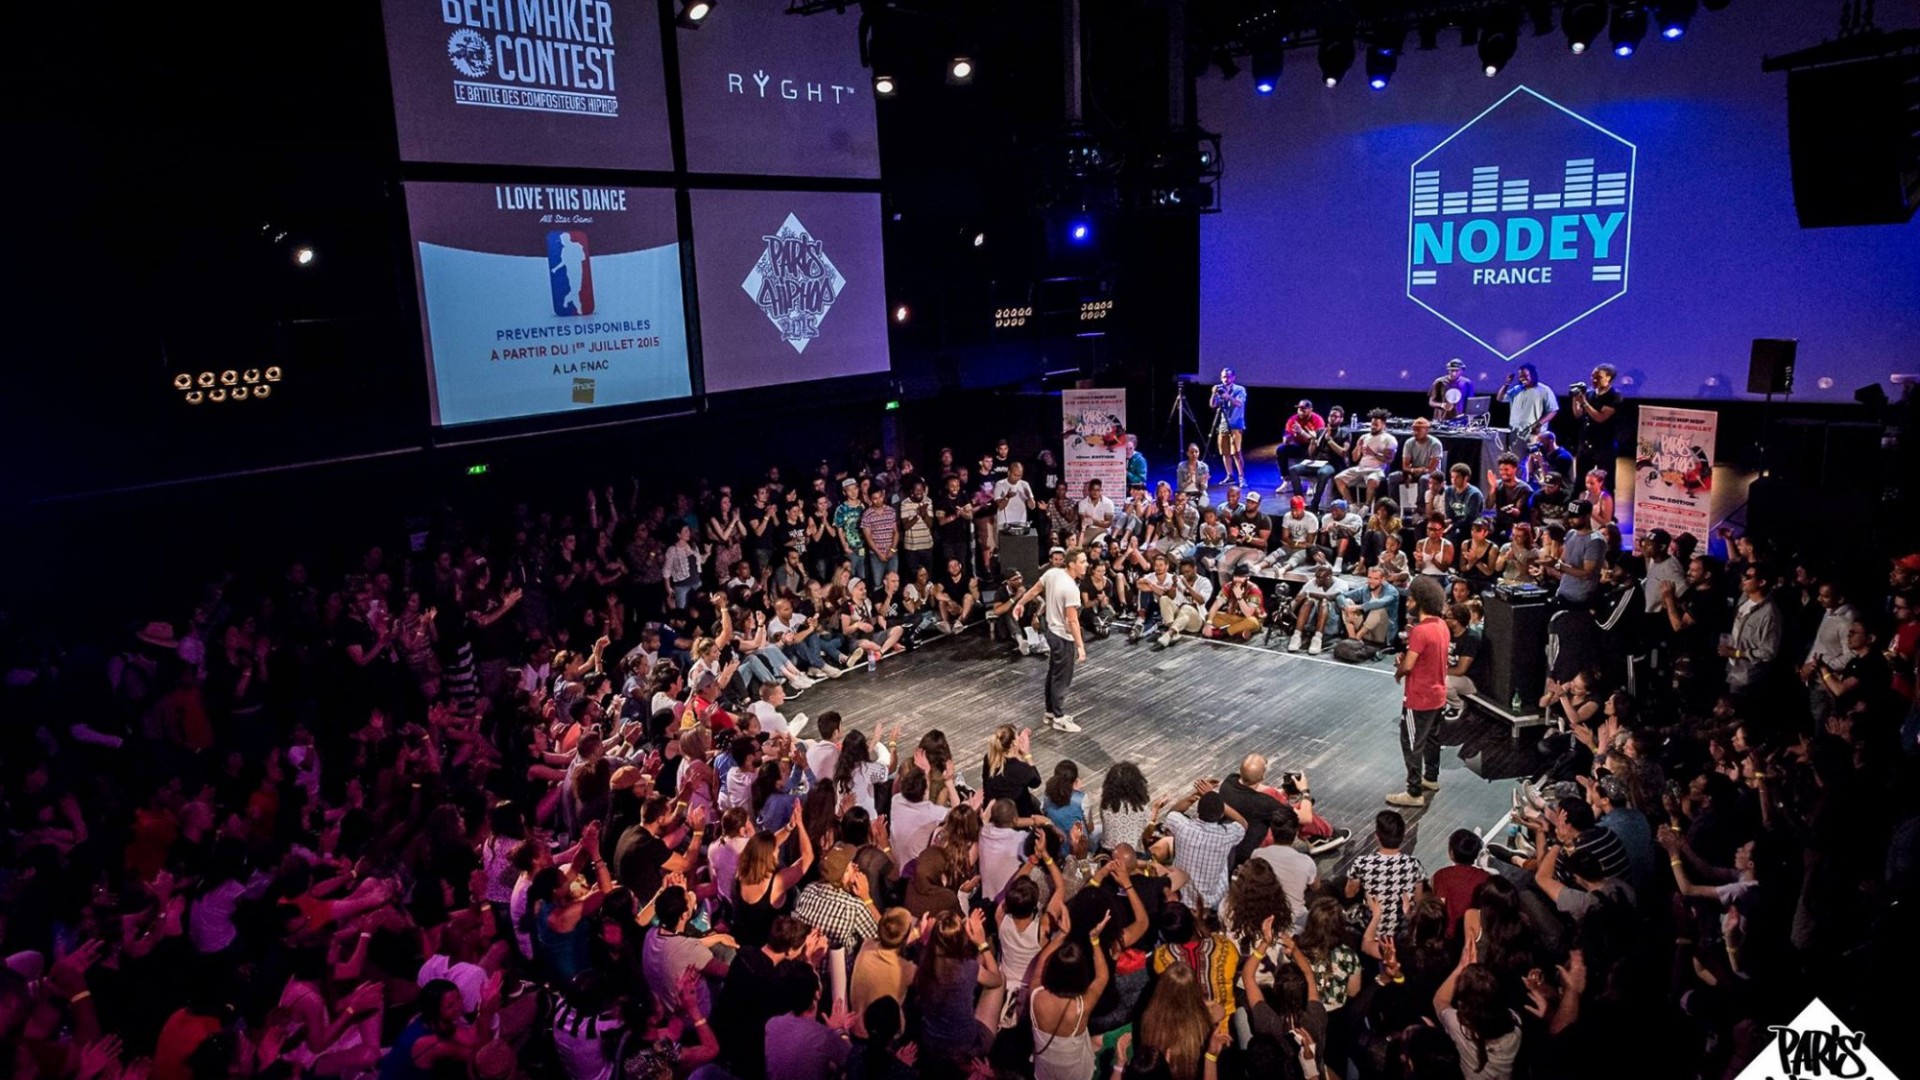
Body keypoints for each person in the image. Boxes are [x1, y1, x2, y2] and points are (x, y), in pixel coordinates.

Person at [1010, 546, 1090, 733]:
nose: (1086, 565)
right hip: (1063, 637)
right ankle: (1059, 718)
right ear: (1072, 565)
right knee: (1062, 678)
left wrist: (1020, 604)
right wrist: (1080, 646)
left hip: (1051, 633)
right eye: (1082, 562)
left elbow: (1034, 591)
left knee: (1054, 674)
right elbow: (1072, 620)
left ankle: (1050, 712)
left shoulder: (1052, 573)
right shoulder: (1071, 589)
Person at [1389, 576, 1449, 807]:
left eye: (1411, 599)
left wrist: (1399, 671)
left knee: (1411, 743)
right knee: (1432, 739)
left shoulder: (1420, 631)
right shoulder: (1441, 625)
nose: (1407, 603)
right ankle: (1431, 778)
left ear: (1420, 601)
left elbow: (1409, 665)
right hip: (1438, 695)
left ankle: (1413, 792)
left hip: (1419, 698)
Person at [1569, 363, 1623, 476]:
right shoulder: (1590, 393)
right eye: (1592, 376)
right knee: (1581, 479)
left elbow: (1600, 418)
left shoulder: (1614, 395)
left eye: (1598, 377)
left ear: (1608, 378)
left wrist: (1584, 402)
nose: (1594, 380)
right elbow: (1578, 414)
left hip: (1604, 446)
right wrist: (1575, 398)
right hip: (1586, 445)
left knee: (1605, 479)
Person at [1336, 410, 1398, 506]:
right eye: (1372, 424)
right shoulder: (1364, 437)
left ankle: (1366, 507)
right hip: (1361, 468)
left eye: (1376, 425)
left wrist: (1373, 453)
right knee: (1338, 478)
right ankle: (1352, 505)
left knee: (1371, 480)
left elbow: (1389, 459)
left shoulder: (1389, 439)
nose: (1373, 427)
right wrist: (1358, 447)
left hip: (1376, 470)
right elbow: (1354, 458)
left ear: (1383, 425)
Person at [1496, 363, 1559, 442]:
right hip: (1515, 433)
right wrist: (1507, 383)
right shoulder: (1517, 389)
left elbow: (1553, 411)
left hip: (1533, 434)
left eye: (1525, 376)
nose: (1522, 379)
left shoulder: (1544, 390)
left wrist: (1539, 424)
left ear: (1533, 375)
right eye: (1520, 376)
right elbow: (1500, 398)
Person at [1210, 367, 1249, 488]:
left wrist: (1228, 397)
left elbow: (1239, 403)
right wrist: (1214, 393)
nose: (1225, 379)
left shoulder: (1240, 389)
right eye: (1223, 377)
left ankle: (1242, 477)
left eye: (1228, 377)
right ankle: (1230, 475)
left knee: (1236, 452)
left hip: (1236, 424)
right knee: (1225, 452)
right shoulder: (1220, 389)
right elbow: (1213, 405)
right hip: (1223, 425)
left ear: (1233, 377)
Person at [1279, 400, 1326, 483]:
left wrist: (1302, 432)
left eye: (1304, 410)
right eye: (1299, 409)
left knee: (1315, 451)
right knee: (1281, 449)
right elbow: (1285, 441)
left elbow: (1317, 441)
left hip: (1314, 447)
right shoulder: (1293, 419)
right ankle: (1286, 479)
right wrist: (1292, 436)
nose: (1301, 412)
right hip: (1299, 446)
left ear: (1310, 410)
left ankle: (1312, 482)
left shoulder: (1318, 420)